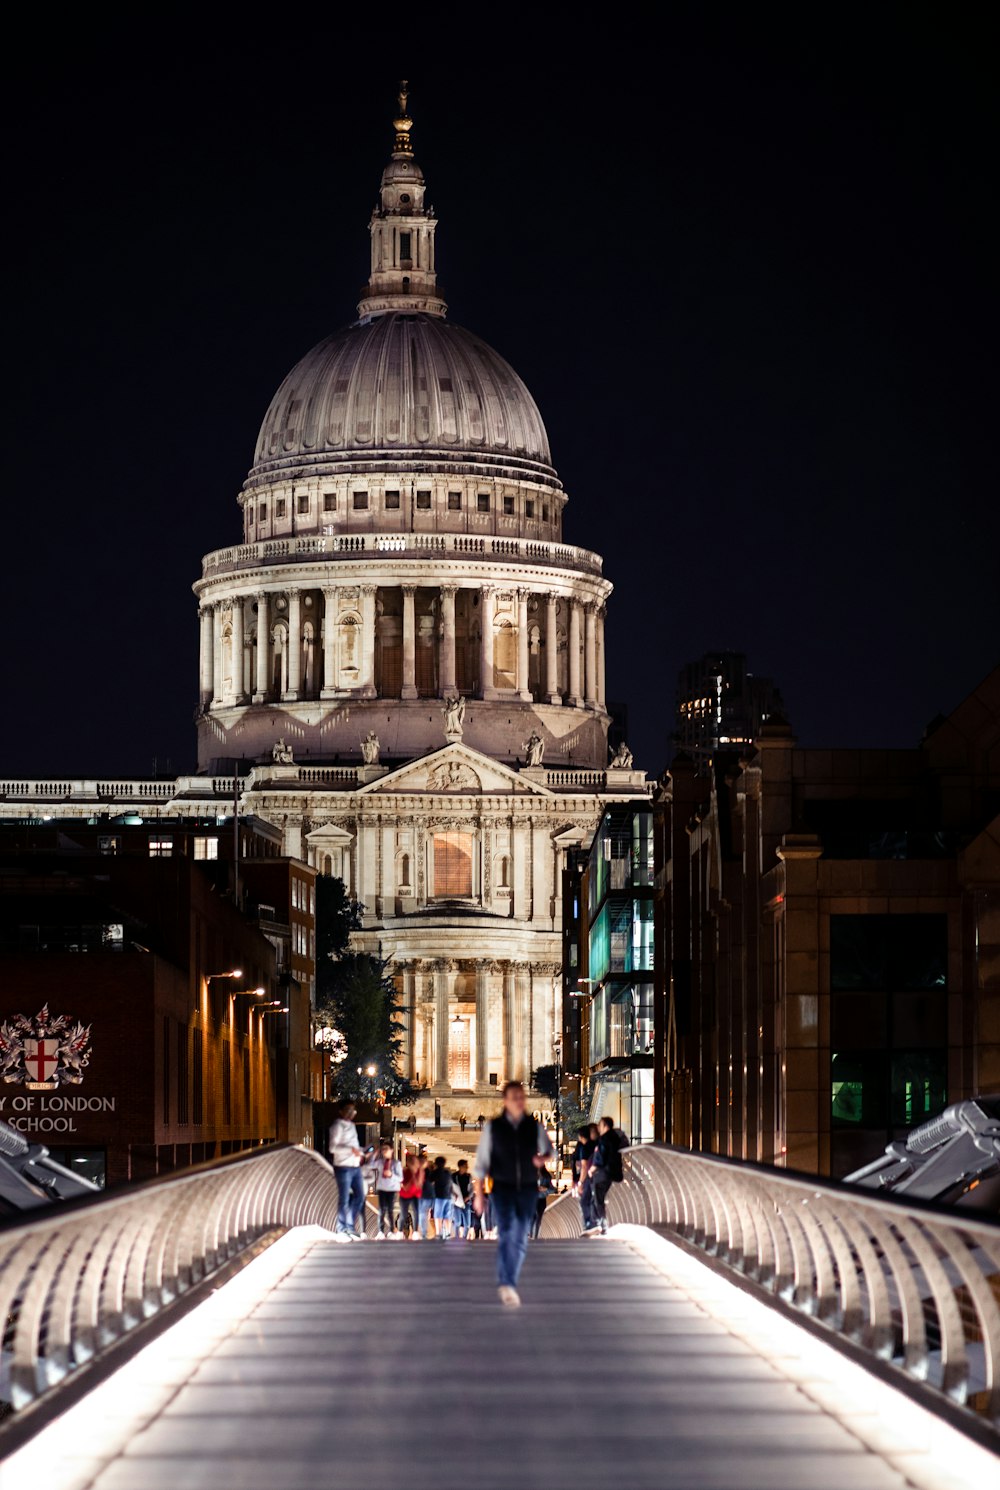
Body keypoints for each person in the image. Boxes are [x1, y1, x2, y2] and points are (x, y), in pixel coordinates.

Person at [473, 1080, 554, 1306]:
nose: (519, 1100)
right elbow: (481, 1163)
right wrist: (479, 1195)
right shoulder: (493, 1127)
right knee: (508, 1232)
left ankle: (508, 1281)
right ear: (505, 1101)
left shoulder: (533, 1126)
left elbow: (550, 1151)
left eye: (522, 1096)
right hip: (502, 1187)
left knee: (519, 1237)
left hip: (528, 1188)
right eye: (515, 1096)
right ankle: (507, 1283)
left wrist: (543, 1158)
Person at [328, 1100, 368, 1237]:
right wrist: (351, 1150)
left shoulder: (351, 1125)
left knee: (360, 1197)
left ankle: (349, 1225)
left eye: (353, 1110)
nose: (352, 1113)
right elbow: (332, 1148)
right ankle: (341, 1228)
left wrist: (361, 1152)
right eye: (348, 1110)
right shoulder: (337, 1126)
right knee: (344, 1199)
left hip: (355, 1166)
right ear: (341, 1111)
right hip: (343, 1167)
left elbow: (353, 1146)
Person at [589, 1116, 629, 1234]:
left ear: (605, 1125)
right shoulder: (615, 1138)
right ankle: (601, 1224)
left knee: (597, 1198)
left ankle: (601, 1224)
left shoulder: (604, 1139)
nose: (598, 1127)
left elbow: (600, 1158)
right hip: (614, 1172)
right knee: (599, 1198)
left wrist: (592, 1169)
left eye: (600, 1124)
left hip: (604, 1173)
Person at [371, 1142, 403, 1237]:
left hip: (392, 1189)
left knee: (390, 1210)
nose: (384, 1151)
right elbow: (371, 1165)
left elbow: (400, 1178)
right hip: (382, 1188)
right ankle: (380, 1231)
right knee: (381, 1210)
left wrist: (391, 1175)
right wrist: (375, 1154)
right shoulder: (380, 1162)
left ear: (391, 1150)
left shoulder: (396, 1163)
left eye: (386, 1149)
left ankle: (391, 1230)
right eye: (383, 1149)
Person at [571, 1125, 598, 1233]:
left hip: (587, 1178)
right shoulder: (595, 1145)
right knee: (592, 1200)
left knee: (584, 1201)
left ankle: (589, 1224)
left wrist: (580, 1183)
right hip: (596, 1176)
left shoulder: (584, 1147)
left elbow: (584, 1166)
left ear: (580, 1136)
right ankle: (594, 1222)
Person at [399, 1154, 422, 1238]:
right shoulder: (404, 1171)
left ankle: (416, 1231)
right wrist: (412, 1175)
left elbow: (418, 1184)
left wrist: (415, 1174)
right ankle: (400, 1231)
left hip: (415, 1195)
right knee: (403, 1213)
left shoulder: (419, 1171)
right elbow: (405, 1187)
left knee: (416, 1212)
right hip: (404, 1195)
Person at [431, 1154, 454, 1239]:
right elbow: (451, 1184)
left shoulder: (435, 1173)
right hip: (448, 1197)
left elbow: (430, 1182)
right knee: (447, 1216)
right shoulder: (448, 1173)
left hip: (439, 1197)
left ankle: (438, 1233)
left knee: (438, 1215)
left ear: (436, 1163)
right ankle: (448, 1232)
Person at [531, 1163, 556, 1240]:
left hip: (541, 1199)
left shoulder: (546, 1176)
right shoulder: (530, 1174)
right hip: (532, 1199)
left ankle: (535, 1236)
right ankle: (530, 1234)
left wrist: (544, 1189)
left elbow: (552, 1189)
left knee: (538, 1217)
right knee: (532, 1217)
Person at [452, 1158, 472, 1238]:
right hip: (456, 1202)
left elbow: (472, 1189)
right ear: (460, 1166)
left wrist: (468, 1197)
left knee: (467, 1224)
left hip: (466, 1202)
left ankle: (464, 1238)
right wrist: (453, 1194)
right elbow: (450, 1187)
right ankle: (457, 1237)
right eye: (466, 1166)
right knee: (457, 1221)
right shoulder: (453, 1176)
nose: (467, 1167)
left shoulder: (468, 1176)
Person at [419, 1154, 436, 1238]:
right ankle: (423, 1232)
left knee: (423, 1214)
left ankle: (424, 1233)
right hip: (420, 1195)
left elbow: (432, 1185)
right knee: (422, 1214)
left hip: (426, 1195)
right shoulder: (417, 1171)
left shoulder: (428, 1172)